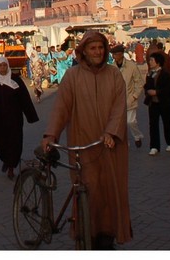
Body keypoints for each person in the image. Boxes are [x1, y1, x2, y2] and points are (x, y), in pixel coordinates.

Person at [41, 30, 131, 249]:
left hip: (110, 145)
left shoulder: (113, 75)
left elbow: (120, 107)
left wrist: (111, 132)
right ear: (84, 51)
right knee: (89, 191)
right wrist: (51, 135)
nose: (98, 52)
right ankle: (87, 235)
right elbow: (61, 109)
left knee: (111, 191)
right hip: (84, 145)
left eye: (101, 47)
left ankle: (107, 236)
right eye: (93, 48)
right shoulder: (72, 76)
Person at [0, 56, 38, 180]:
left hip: (14, 118)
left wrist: (31, 116)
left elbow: (25, 99)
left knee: (15, 142)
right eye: (0, 66)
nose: (3, 68)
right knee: (0, 141)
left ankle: (11, 166)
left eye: (5, 65)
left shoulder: (15, 80)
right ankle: (6, 160)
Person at [111, 44, 144, 149]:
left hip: (129, 98)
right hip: (117, 101)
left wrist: (134, 96)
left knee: (130, 121)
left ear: (121, 54)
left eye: (116, 54)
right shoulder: (112, 68)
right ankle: (125, 142)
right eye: (113, 54)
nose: (114, 56)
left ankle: (137, 136)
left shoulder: (131, 66)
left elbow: (139, 82)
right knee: (120, 124)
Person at [144, 52, 170, 155]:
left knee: (167, 123)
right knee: (153, 125)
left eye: (152, 60)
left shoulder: (165, 74)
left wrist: (157, 92)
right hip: (153, 103)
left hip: (164, 102)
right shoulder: (149, 74)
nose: (150, 62)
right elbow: (147, 86)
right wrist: (148, 91)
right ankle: (154, 146)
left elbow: (168, 88)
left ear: (158, 62)